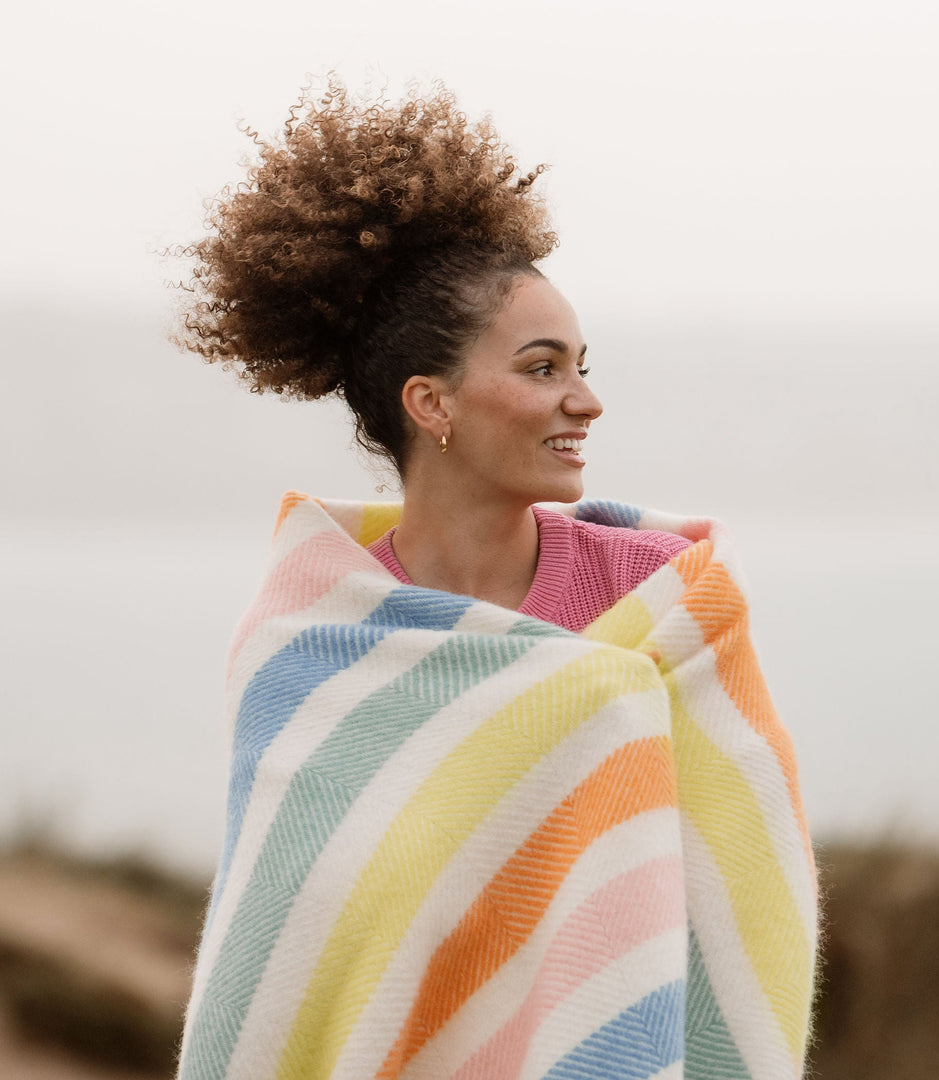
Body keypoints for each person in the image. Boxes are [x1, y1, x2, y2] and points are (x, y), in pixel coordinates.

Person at [175, 80, 817, 1080]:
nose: (587, 400)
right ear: (431, 402)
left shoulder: (671, 613)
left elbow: (750, 897)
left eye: (584, 364)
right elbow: (287, 953)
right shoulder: (310, 647)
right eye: (543, 367)